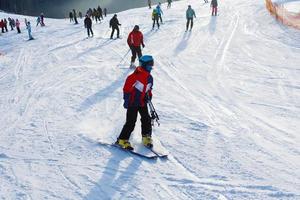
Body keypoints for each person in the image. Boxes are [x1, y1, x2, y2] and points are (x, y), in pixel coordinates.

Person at [116, 55, 155, 150]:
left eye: (152, 64)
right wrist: (126, 100)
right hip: (133, 102)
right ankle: (122, 139)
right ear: (144, 65)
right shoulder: (134, 77)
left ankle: (146, 137)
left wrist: (149, 96)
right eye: (150, 65)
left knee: (146, 119)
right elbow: (126, 89)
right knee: (131, 121)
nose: (152, 67)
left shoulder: (150, 77)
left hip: (142, 102)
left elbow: (148, 89)